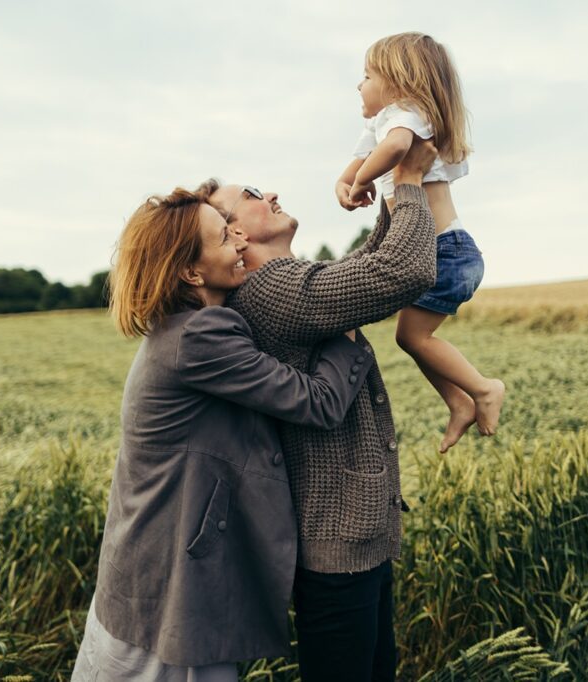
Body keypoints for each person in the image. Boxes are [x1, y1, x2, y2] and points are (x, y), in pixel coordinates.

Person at [71, 187, 375, 680]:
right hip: (167, 593)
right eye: (222, 235)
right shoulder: (199, 336)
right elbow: (319, 403)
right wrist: (347, 326)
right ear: (192, 272)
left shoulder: (186, 327)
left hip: (152, 585)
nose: (238, 239)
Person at [203, 138, 438, 681]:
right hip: (335, 544)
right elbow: (402, 272)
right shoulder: (271, 288)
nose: (274, 193)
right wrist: (408, 181)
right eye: (256, 194)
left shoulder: (283, 285)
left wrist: (385, 198)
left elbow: (363, 271)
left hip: (348, 534)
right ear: (235, 232)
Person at [336, 31, 506, 444]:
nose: (359, 85)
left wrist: (361, 182)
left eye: (367, 75)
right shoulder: (382, 121)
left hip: (445, 250)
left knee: (413, 336)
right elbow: (359, 160)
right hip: (434, 250)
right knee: (410, 337)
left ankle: (484, 389)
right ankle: (459, 402)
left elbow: (394, 149)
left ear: (398, 81)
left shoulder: (407, 113)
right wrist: (344, 184)